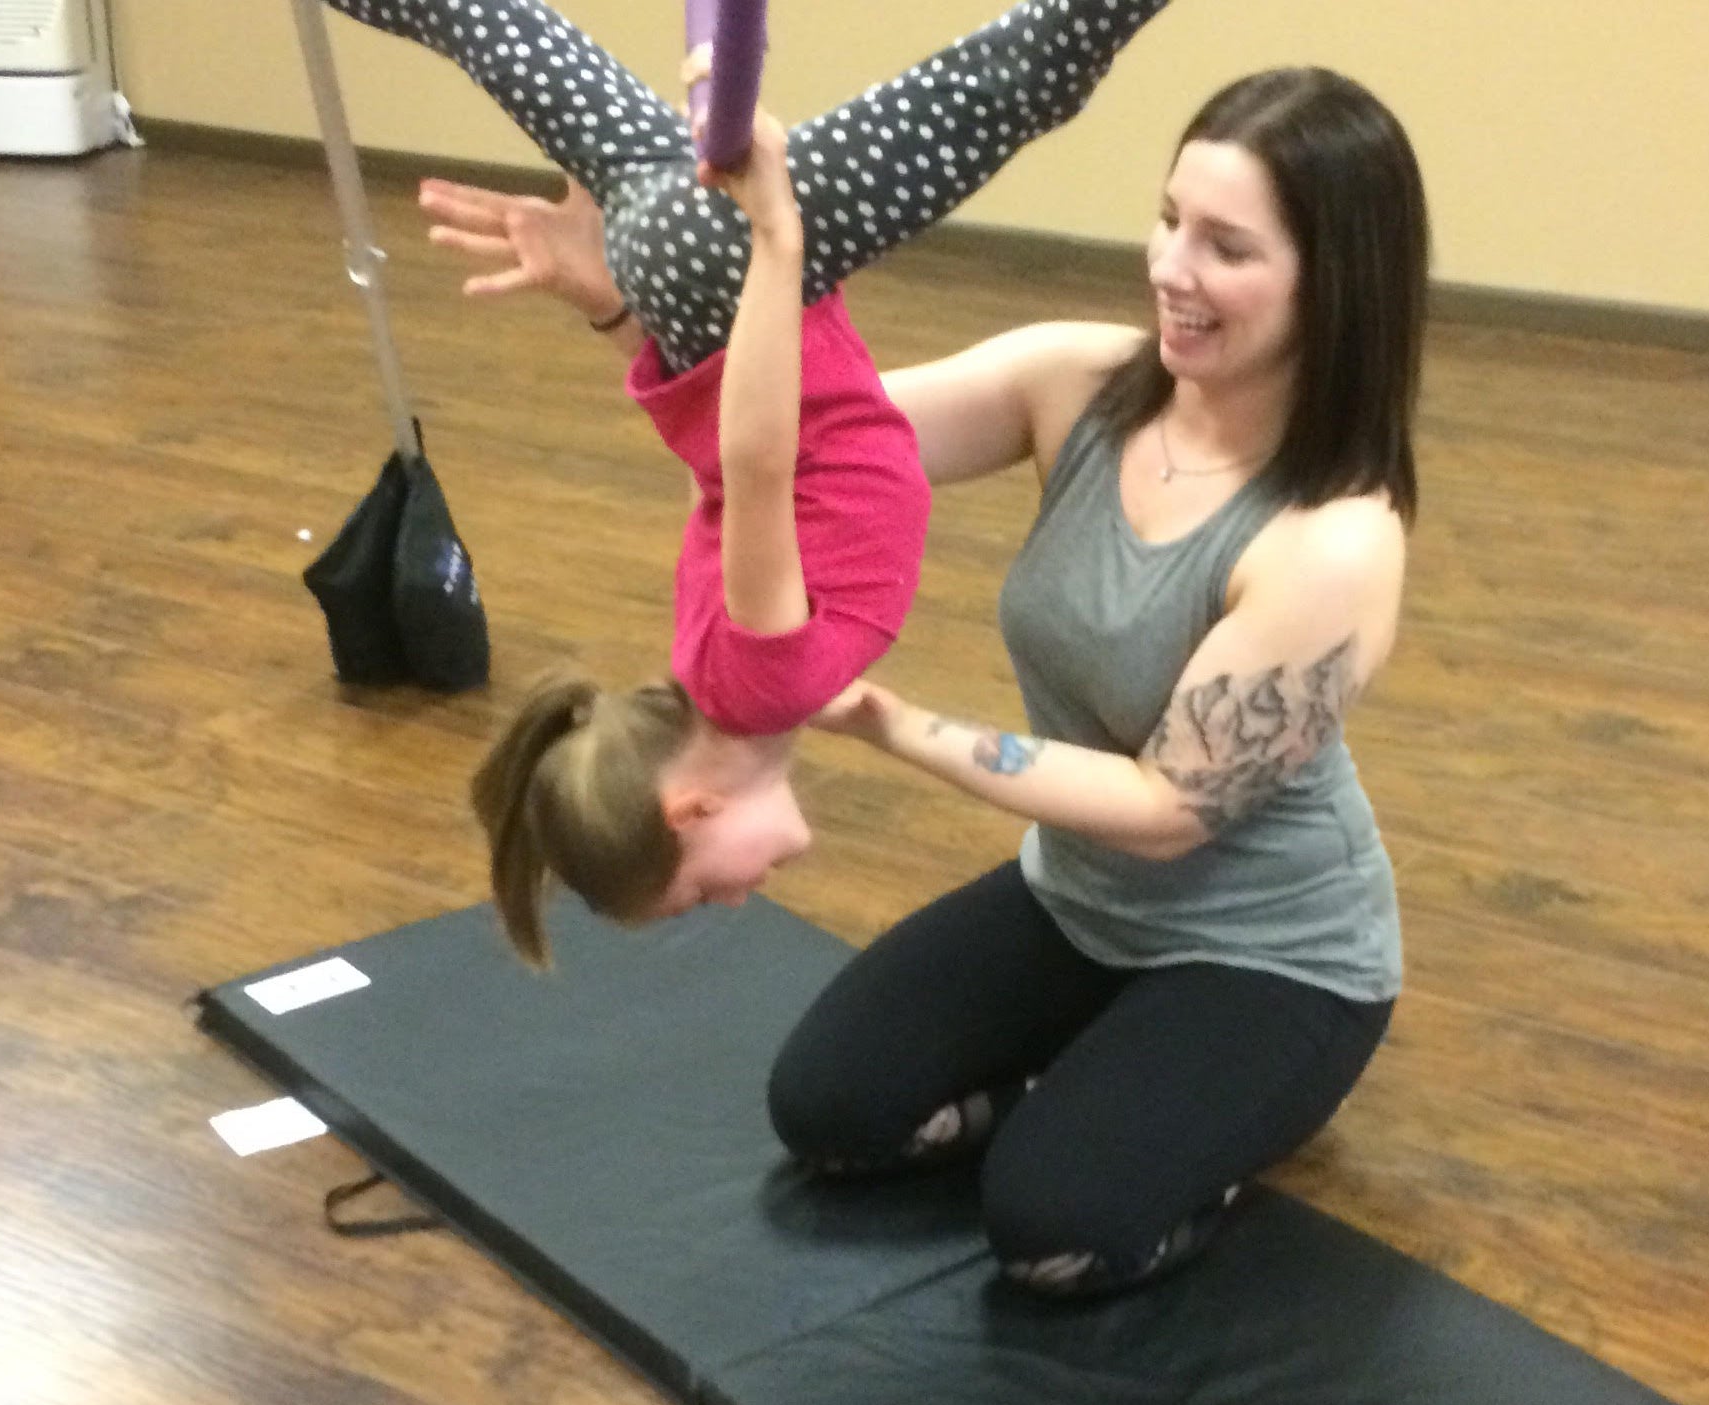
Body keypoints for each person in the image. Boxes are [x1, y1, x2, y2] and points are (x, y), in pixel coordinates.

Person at [427, 58, 1430, 1295]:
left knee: (1055, 1230)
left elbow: (1170, 813)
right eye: (1171, 219)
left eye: (1227, 247)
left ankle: (1177, 1121)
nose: (1172, 268)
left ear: (1335, 284)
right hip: (1079, 901)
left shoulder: (1333, 541)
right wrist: (622, 313)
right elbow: (798, 452)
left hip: (1271, 952)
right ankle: (1095, 1080)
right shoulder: (1083, 383)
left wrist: (899, 724)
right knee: (829, 1110)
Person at [318, 0, 1175, 962]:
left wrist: (776, 242)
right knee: (485, 25)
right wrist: (614, 304)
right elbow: (715, 464)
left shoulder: (762, 688)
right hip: (679, 278)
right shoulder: (704, 670)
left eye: (696, 892)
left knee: (1018, 81)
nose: (733, 901)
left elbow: (755, 461)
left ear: (692, 809)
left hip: (721, 265)